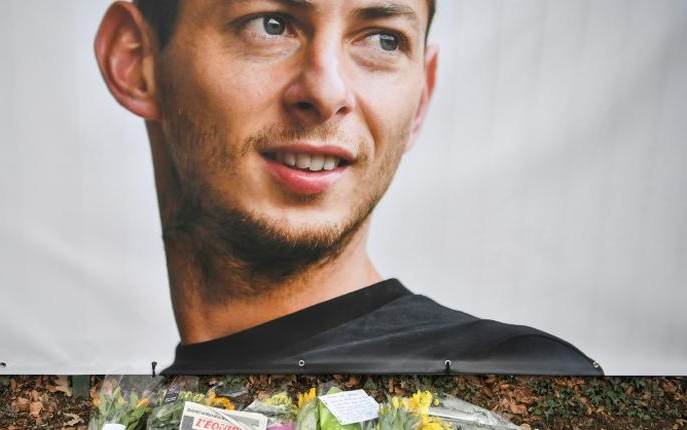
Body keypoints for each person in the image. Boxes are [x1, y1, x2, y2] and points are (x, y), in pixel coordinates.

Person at [94, 0, 602, 375]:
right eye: (271, 25)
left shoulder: (515, 379)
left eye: (383, 39)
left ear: (421, 97)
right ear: (135, 60)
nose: (327, 90)